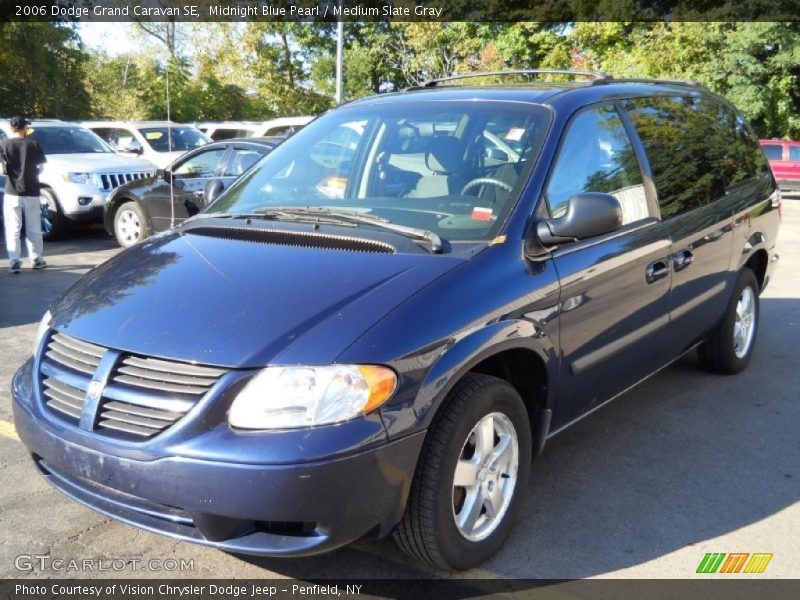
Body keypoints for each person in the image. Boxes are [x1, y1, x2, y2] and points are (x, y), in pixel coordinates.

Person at [1, 116, 47, 273]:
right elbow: (41, 168)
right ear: (23, 128)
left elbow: (1, 170)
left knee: (13, 227)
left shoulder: (3, 145)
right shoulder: (34, 145)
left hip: (12, 191)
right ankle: (37, 259)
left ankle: (14, 261)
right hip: (32, 190)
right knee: (34, 226)